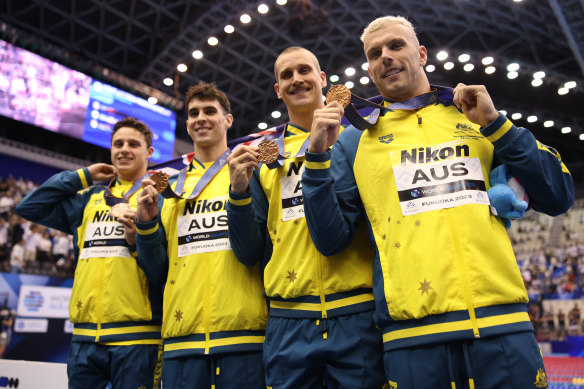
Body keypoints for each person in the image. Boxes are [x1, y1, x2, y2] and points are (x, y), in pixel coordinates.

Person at [302, 15, 575, 389]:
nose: (385, 57)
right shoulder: (352, 142)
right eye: (374, 53)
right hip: (412, 338)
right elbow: (330, 240)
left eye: (396, 46)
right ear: (368, 68)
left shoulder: (475, 115)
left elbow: (558, 195)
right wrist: (316, 159)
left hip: (501, 324)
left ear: (422, 54)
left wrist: (497, 125)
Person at [226, 47, 385, 389]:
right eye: (286, 75)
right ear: (278, 90)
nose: (296, 79)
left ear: (322, 79)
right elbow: (248, 251)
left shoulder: (358, 137)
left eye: (304, 70)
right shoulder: (265, 155)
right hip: (289, 317)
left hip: (356, 311)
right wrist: (237, 193)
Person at [135, 82, 267, 389]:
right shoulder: (170, 188)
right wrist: (147, 224)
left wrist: (239, 191)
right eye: (193, 113)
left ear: (228, 120)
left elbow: (252, 251)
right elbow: (156, 271)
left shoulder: (250, 171)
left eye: (210, 111)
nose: (200, 118)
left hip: (243, 337)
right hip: (183, 339)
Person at [16, 117, 163, 389]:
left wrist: (138, 239)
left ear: (149, 152)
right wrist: (81, 176)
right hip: (84, 337)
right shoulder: (87, 199)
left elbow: (161, 267)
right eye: (118, 144)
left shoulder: (159, 198)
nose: (124, 149)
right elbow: (29, 207)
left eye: (133, 143)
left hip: (137, 338)